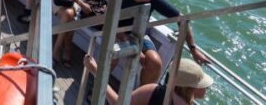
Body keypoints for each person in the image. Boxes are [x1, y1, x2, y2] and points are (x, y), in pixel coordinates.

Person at [120, 0, 211, 85]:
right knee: (111, 56)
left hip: (139, 34)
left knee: (155, 63)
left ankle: (143, 93)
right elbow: (108, 23)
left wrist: (193, 50)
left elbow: (182, 20)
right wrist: (135, 50)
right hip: (117, 32)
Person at [83, 55, 213, 105]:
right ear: (189, 88)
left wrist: (96, 71)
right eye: (201, 85)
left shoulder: (154, 91)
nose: (206, 88)